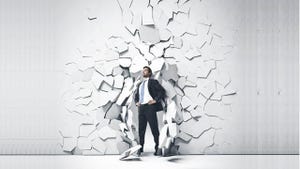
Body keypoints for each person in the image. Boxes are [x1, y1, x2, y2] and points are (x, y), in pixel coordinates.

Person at [134, 66, 166, 156]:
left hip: (150, 107)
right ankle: (140, 149)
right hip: (141, 108)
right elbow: (136, 95)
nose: (143, 72)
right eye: (143, 71)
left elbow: (162, 91)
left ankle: (157, 149)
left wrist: (155, 100)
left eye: (145, 71)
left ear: (149, 73)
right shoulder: (140, 84)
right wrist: (136, 102)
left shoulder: (153, 82)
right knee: (141, 129)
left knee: (154, 128)